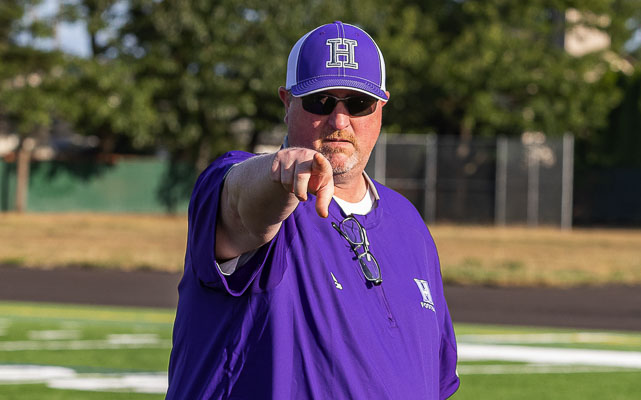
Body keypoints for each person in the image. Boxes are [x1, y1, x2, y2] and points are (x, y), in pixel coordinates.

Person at [166, 21, 460, 399]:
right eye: (320, 101)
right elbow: (239, 207)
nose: (339, 121)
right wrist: (279, 172)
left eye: (358, 103)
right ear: (287, 103)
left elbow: (435, 379)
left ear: (381, 107)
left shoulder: (409, 223)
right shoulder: (261, 193)